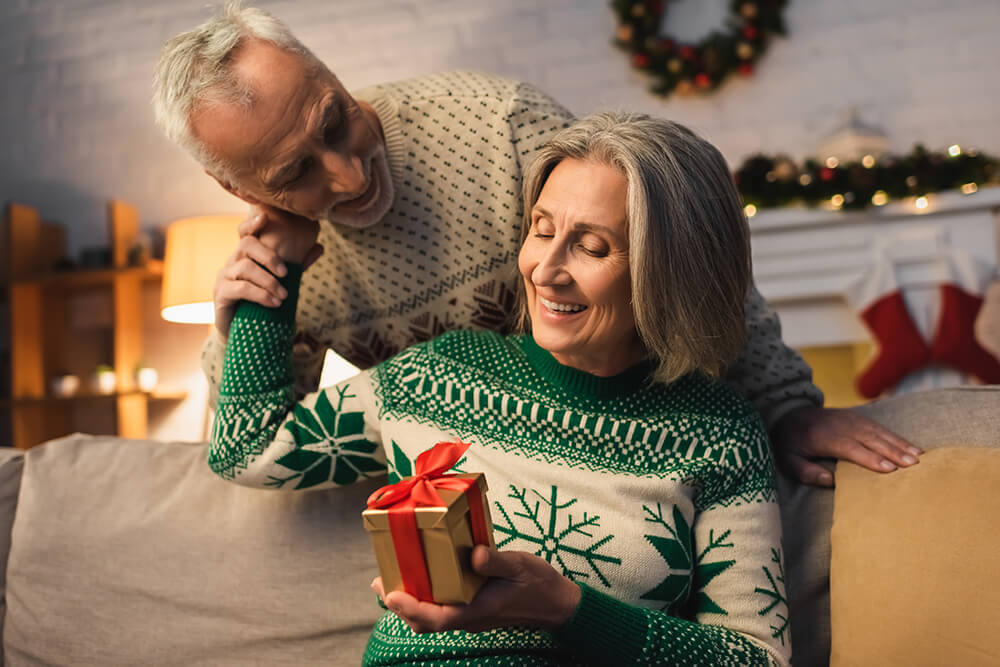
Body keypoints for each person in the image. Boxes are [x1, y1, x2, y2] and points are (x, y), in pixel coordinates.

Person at [152, 3, 921, 486]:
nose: (349, 173)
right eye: (296, 172)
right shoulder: (289, 265)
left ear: (328, 69)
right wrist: (248, 315)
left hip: (637, 445)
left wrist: (784, 409)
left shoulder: (494, 124)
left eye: (335, 118)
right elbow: (248, 446)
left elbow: (681, 252)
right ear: (243, 191)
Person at [210, 111, 791, 666]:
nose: (544, 269)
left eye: (591, 247)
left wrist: (567, 611)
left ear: (671, 272)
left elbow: (756, 657)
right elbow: (245, 448)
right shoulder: (435, 378)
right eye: (542, 231)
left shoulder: (720, 435)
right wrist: (277, 266)